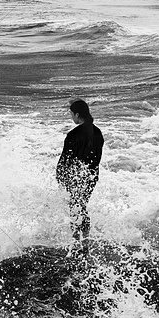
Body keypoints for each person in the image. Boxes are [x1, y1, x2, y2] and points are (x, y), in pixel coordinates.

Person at [56, 99, 104, 241]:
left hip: (76, 176)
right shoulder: (98, 133)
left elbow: (64, 161)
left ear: (77, 114)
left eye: (72, 114)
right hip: (91, 175)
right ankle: (86, 240)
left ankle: (76, 240)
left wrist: (60, 179)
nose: (71, 117)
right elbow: (97, 158)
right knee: (81, 206)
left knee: (75, 208)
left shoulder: (72, 135)